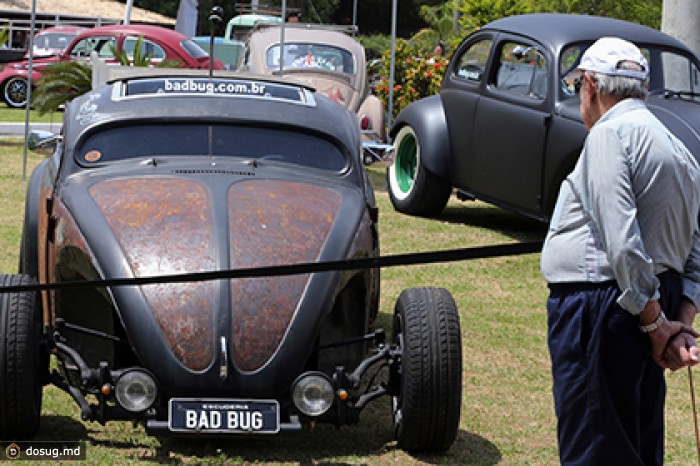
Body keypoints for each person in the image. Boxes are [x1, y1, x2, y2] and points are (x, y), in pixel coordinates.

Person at [541, 36, 700, 465]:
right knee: (635, 442)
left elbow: (621, 238)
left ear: (590, 85)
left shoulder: (609, 135)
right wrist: (676, 321)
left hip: (604, 307)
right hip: (648, 303)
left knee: (596, 446)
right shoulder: (678, 146)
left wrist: (656, 326)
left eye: (578, 87)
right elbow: (694, 247)